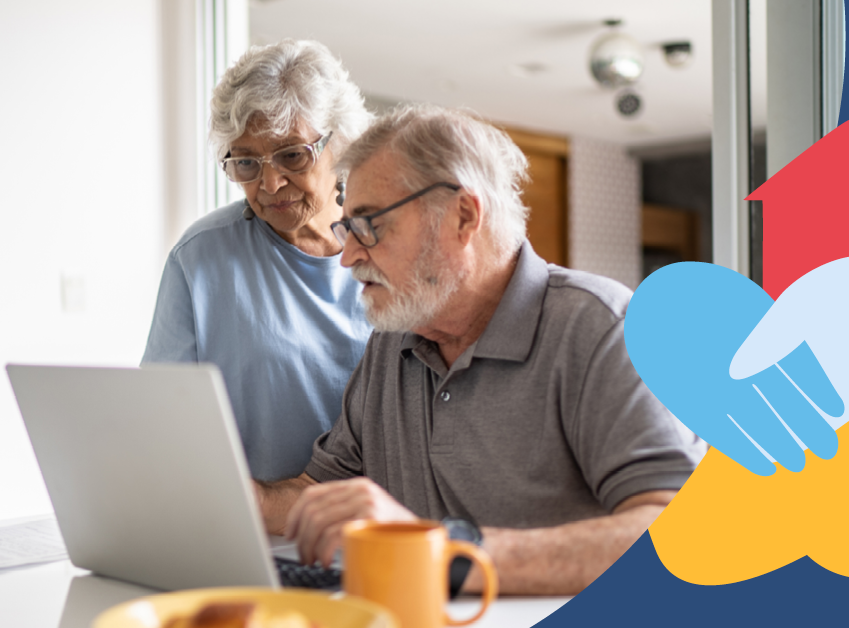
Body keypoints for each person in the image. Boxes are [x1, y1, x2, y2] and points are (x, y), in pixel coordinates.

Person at [255, 104, 705, 595]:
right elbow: (320, 493)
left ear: (463, 216)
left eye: (369, 226)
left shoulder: (603, 328)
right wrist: (232, 499)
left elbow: (675, 533)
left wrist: (442, 551)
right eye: (348, 228)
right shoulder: (392, 343)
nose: (348, 256)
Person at [143, 40, 374, 482]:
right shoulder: (201, 259)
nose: (269, 183)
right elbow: (163, 425)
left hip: (384, 527)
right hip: (257, 527)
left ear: (340, 144)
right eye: (247, 162)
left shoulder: (387, 244)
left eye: (291, 155)